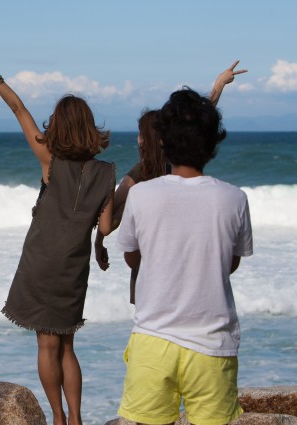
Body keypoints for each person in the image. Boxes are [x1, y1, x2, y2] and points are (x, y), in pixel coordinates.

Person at [0, 41, 115, 425]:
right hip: (75, 267)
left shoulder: (50, 160)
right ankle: (78, 418)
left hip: (42, 262)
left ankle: (59, 418)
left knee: (46, 344)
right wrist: (98, 243)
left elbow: (19, 109)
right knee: (67, 344)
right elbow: (107, 225)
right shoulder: (106, 173)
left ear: (59, 126)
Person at [115, 87, 253, 425]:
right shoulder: (234, 199)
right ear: (213, 145)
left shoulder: (142, 195)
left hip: (152, 340)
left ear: (163, 142)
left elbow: (132, 257)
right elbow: (231, 263)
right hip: (212, 344)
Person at [94, 61, 247, 304]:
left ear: (151, 139)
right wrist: (219, 84)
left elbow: (110, 218)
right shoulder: (177, 161)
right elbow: (198, 122)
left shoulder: (141, 173)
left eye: (141, 134)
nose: (138, 139)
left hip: (150, 274)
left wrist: (99, 241)